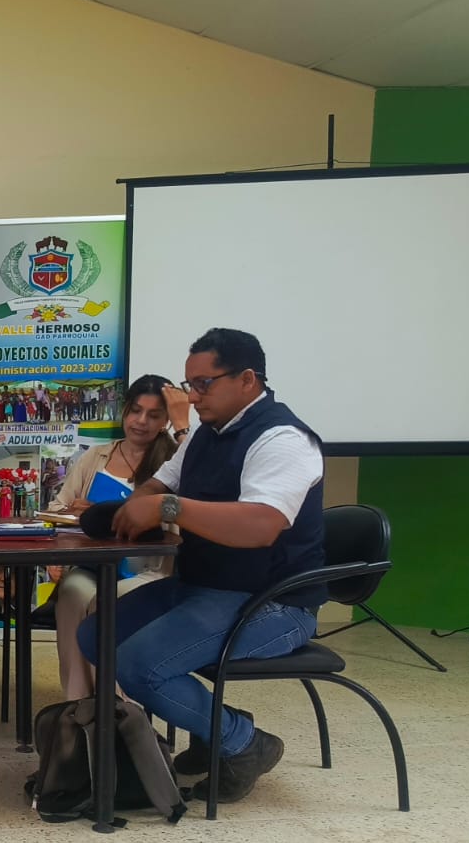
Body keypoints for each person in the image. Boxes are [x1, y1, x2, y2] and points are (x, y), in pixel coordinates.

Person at [79, 328, 326, 804]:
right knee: (96, 635)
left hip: (272, 602)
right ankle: (216, 729)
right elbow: (157, 485)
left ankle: (243, 742)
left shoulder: (283, 439)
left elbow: (261, 525)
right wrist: (141, 505)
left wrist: (166, 508)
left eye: (203, 384)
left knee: (140, 665)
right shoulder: (205, 435)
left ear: (248, 379)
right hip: (202, 585)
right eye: (188, 384)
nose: (191, 397)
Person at [47, 374, 183, 700]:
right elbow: (56, 509)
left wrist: (109, 512)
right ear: (124, 411)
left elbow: (181, 520)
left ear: (166, 421)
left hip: (148, 571)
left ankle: (115, 706)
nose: (141, 421)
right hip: (92, 564)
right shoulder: (96, 457)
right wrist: (76, 515)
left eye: (153, 415)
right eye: (135, 411)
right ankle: (78, 702)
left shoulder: (175, 461)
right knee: (73, 593)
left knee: (107, 600)